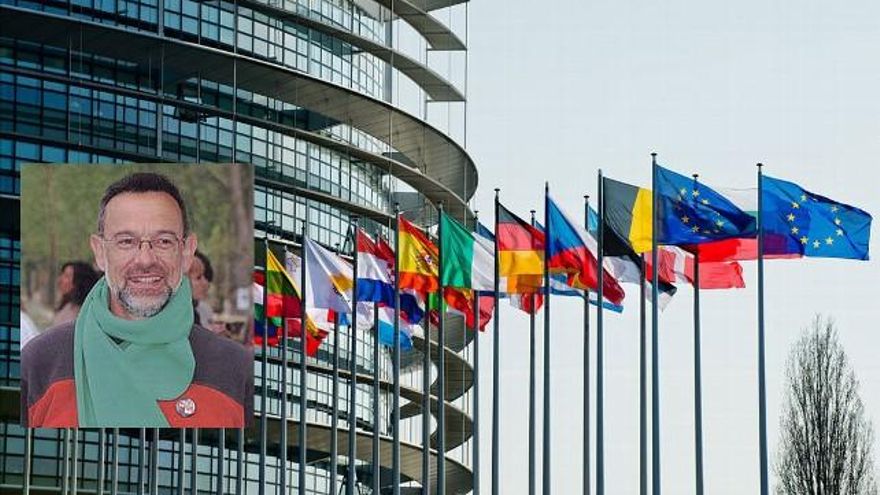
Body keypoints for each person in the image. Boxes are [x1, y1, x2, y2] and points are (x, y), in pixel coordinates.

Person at [21, 172, 252, 428]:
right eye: (126, 241)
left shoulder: (235, 370)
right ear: (100, 252)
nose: (145, 259)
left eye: (163, 241)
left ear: (187, 252)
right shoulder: (41, 362)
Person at [51, 261, 101, 327]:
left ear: (78, 282)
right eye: (62, 274)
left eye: (67, 276)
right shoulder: (67, 307)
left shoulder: (74, 314)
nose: (60, 280)